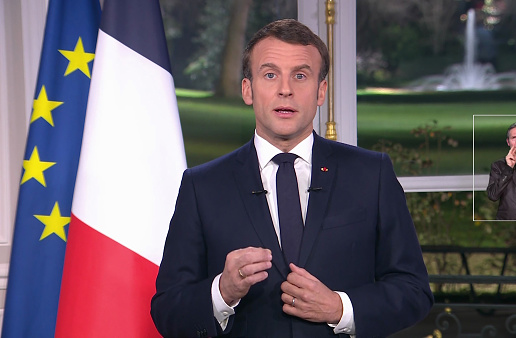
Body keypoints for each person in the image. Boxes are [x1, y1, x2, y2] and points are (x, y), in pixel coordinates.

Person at [151, 19, 433, 337]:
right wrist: (223, 291)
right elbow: (168, 310)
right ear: (248, 89)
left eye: (300, 75)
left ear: (321, 91)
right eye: (270, 74)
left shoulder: (371, 174)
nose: (285, 89)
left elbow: (414, 291)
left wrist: (341, 308)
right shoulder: (202, 186)